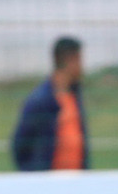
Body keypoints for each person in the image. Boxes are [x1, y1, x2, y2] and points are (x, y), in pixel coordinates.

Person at [11, 37, 88, 172]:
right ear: (69, 60)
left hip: (77, 182)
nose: (82, 66)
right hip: (49, 184)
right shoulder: (40, 101)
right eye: (79, 60)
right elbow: (20, 145)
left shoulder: (75, 95)